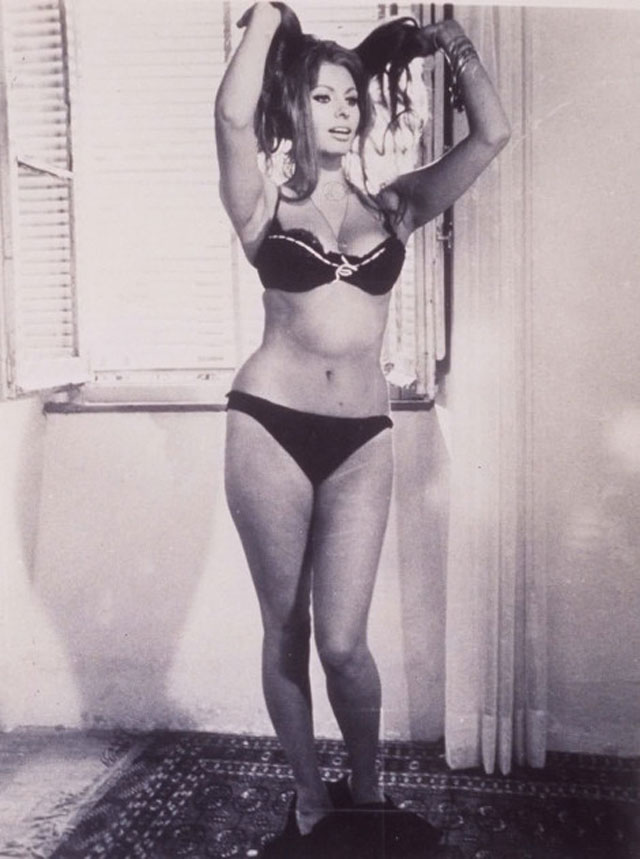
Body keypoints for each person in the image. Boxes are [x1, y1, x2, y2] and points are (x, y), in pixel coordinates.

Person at [215, 3, 510, 856]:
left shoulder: (395, 205)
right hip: (269, 427)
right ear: (294, 106)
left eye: (352, 98)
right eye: (323, 97)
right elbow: (231, 115)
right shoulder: (262, 201)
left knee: (344, 643)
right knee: (287, 630)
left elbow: (492, 134)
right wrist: (272, 18)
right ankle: (312, 801)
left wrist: (451, 40)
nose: (343, 112)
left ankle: (369, 796)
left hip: (360, 441)